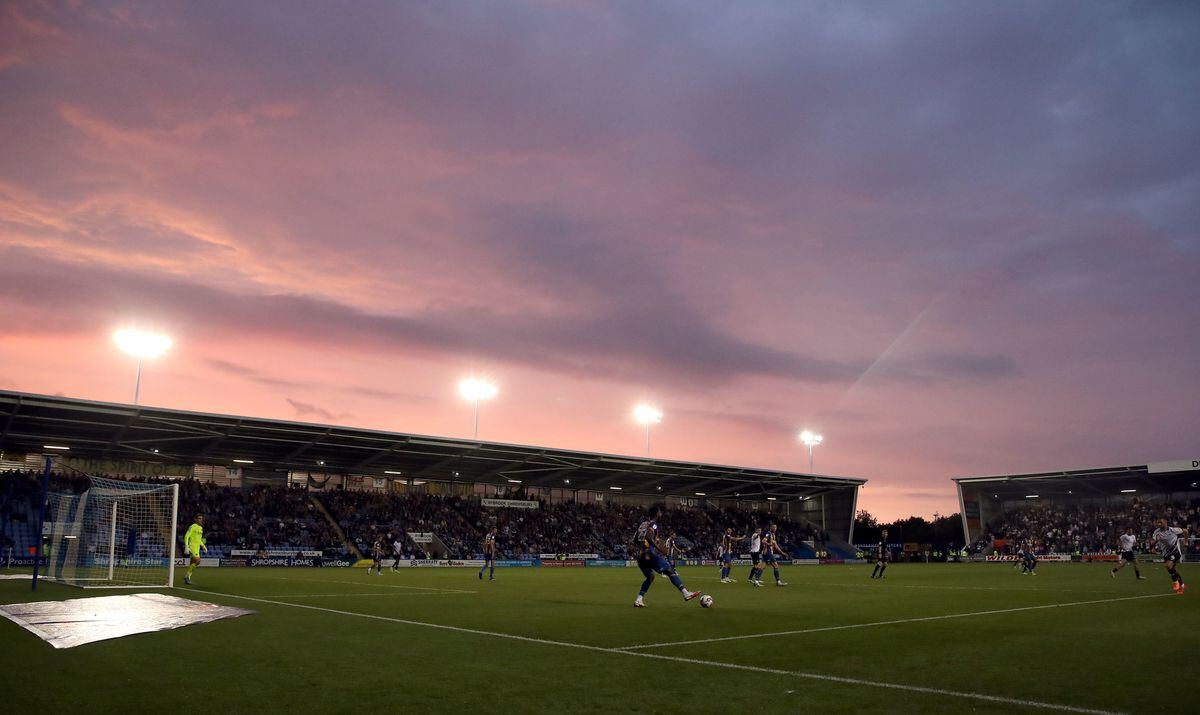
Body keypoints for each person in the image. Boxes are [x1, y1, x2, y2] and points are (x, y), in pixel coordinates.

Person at [632, 506, 701, 608]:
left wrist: (643, 550)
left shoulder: (642, 524)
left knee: (650, 577)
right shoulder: (653, 524)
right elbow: (648, 536)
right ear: (656, 513)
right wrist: (658, 549)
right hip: (650, 554)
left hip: (640, 556)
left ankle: (639, 599)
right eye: (660, 511)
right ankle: (686, 593)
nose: (661, 513)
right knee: (670, 570)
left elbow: (635, 540)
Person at [1151, 518, 1188, 593]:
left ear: (1165, 522)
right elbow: (1154, 540)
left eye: (1160, 522)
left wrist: (1186, 541)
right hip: (1165, 553)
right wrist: (1153, 547)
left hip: (1175, 552)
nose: (1159, 524)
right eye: (1158, 523)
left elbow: (1186, 531)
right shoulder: (1156, 532)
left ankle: (1175, 582)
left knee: (1168, 565)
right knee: (1172, 569)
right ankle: (1182, 584)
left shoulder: (1173, 530)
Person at [183, 514, 206, 585]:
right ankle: (187, 576)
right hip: (192, 547)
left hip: (197, 548)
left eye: (201, 518)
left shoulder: (201, 528)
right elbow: (186, 536)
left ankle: (187, 578)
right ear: (195, 519)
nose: (201, 520)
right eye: (199, 518)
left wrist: (203, 546)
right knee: (197, 561)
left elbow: (199, 540)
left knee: (193, 563)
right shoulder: (192, 526)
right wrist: (186, 546)